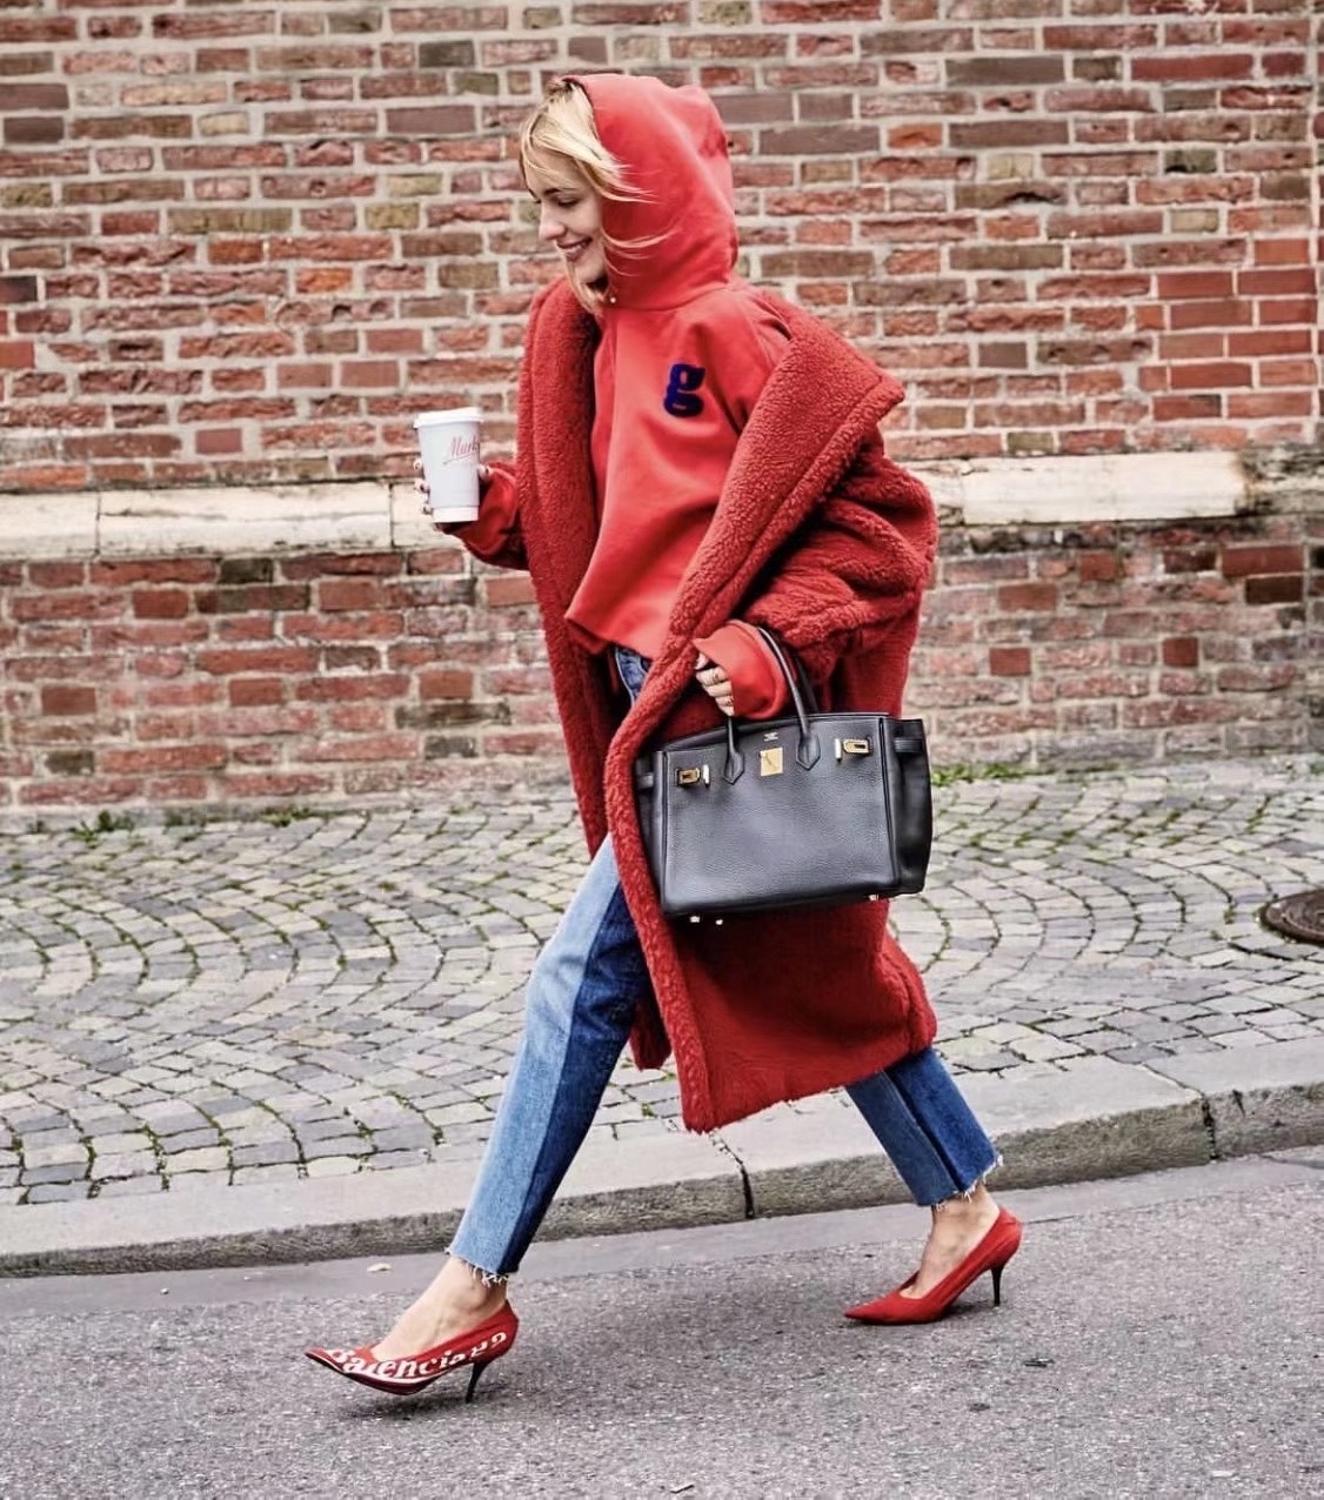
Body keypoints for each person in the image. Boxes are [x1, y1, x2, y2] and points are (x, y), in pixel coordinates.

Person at [306, 73, 1022, 1401]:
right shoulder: (575, 334)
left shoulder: (737, 330)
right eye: (544, 207)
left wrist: (768, 639)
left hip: (712, 708)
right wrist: (497, 511)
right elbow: (613, 533)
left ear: (636, 195)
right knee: (815, 959)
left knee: (578, 981)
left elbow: (880, 534)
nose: (554, 232)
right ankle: (965, 1205)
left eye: (570, 202)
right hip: (645, 705)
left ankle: (468, 1291)